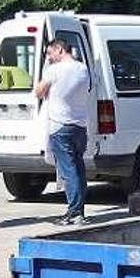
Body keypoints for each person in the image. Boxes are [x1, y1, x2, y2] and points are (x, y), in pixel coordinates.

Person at [34, 38, 91, 226]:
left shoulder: (54, 70)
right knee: (78, 169)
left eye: (50, 53)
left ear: (59, 49)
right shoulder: (82, 68)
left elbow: (38, 92)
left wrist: (45, 73)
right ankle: (79, 208)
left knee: (69, 171)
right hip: (79, 126)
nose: (49, 58)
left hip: (60, 126)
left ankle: (75, 213)